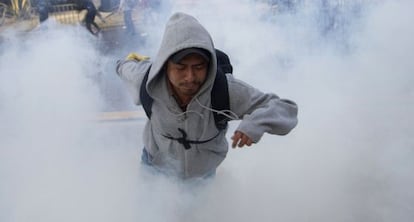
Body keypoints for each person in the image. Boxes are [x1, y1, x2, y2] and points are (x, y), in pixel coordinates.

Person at [115, 12, 298, 179]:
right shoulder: (146, 80)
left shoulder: (225, 89)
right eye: (180, 68)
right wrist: (123, 62)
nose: (190, 77)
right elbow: (123, 66)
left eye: (199, 67)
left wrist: (255, 124)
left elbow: (285, 108)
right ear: (165, 65)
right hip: (155, 169)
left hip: (201, 177)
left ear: (209, 65)